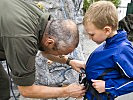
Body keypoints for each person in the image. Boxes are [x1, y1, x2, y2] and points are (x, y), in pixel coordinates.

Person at [0, 0, 86, 99]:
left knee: (2, 83)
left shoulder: (43, 21)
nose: (61, 55)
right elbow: (26, 90)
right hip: (14, 33)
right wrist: (66, 91)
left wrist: (69, 61)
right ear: (50, 42)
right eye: (60, 53)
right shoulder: (23, 39)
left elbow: (45, 50)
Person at [83, 1, 133, 100]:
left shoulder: (122, 50)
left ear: (107, 30)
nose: (89, 37)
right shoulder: (109, 43)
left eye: (92, 34)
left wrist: (107, 86)